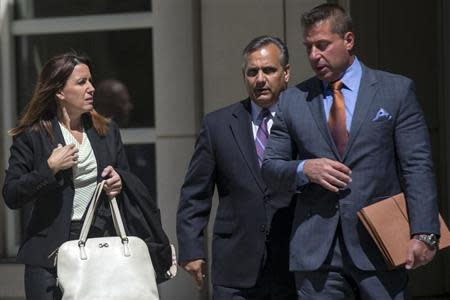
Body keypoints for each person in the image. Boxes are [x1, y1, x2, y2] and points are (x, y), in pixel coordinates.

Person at [261, 3, 440, 299]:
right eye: (308, 47)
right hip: (317, 255)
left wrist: (424, 233)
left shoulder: (395, 91)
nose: (314, 56)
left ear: (348, 40)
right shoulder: (293, 101)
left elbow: (417, 166)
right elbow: (270, 168)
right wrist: (305, 169)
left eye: (322, 45)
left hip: (381, 245)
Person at [2, 53, 171, 300]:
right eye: (81, 83)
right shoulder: (33, 135)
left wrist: (118, 182)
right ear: (59, 92)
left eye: (91, 81)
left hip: (100, 247)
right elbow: (12, 194)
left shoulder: (106, 130)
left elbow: (125, 176)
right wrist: (49, 168)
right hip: (49, 255)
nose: (91, 88)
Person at [176, 36, 296, 299]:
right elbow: (195, 194)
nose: (260, 79)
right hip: (235, 267)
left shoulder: (304, 120)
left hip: (292, 262)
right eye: (252, 72)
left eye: (269, 70)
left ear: (285, 74)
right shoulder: (218, 125)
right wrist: (191, 249)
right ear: (244, 76)